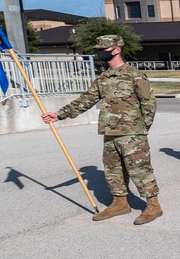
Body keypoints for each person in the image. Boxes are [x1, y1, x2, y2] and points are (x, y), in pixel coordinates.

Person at [41, 34, 161, 224]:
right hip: (110, 132)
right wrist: (60, 114)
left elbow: (149, 104)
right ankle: (120, 203)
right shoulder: (103, 78)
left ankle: (153, 205)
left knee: (140, 170)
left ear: (116, 49)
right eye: (98, 50)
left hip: (132, 133)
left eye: (103, 50)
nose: (99, 53)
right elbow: (86, 99)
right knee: (113, 170)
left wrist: (141, 129)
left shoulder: (134, 75)